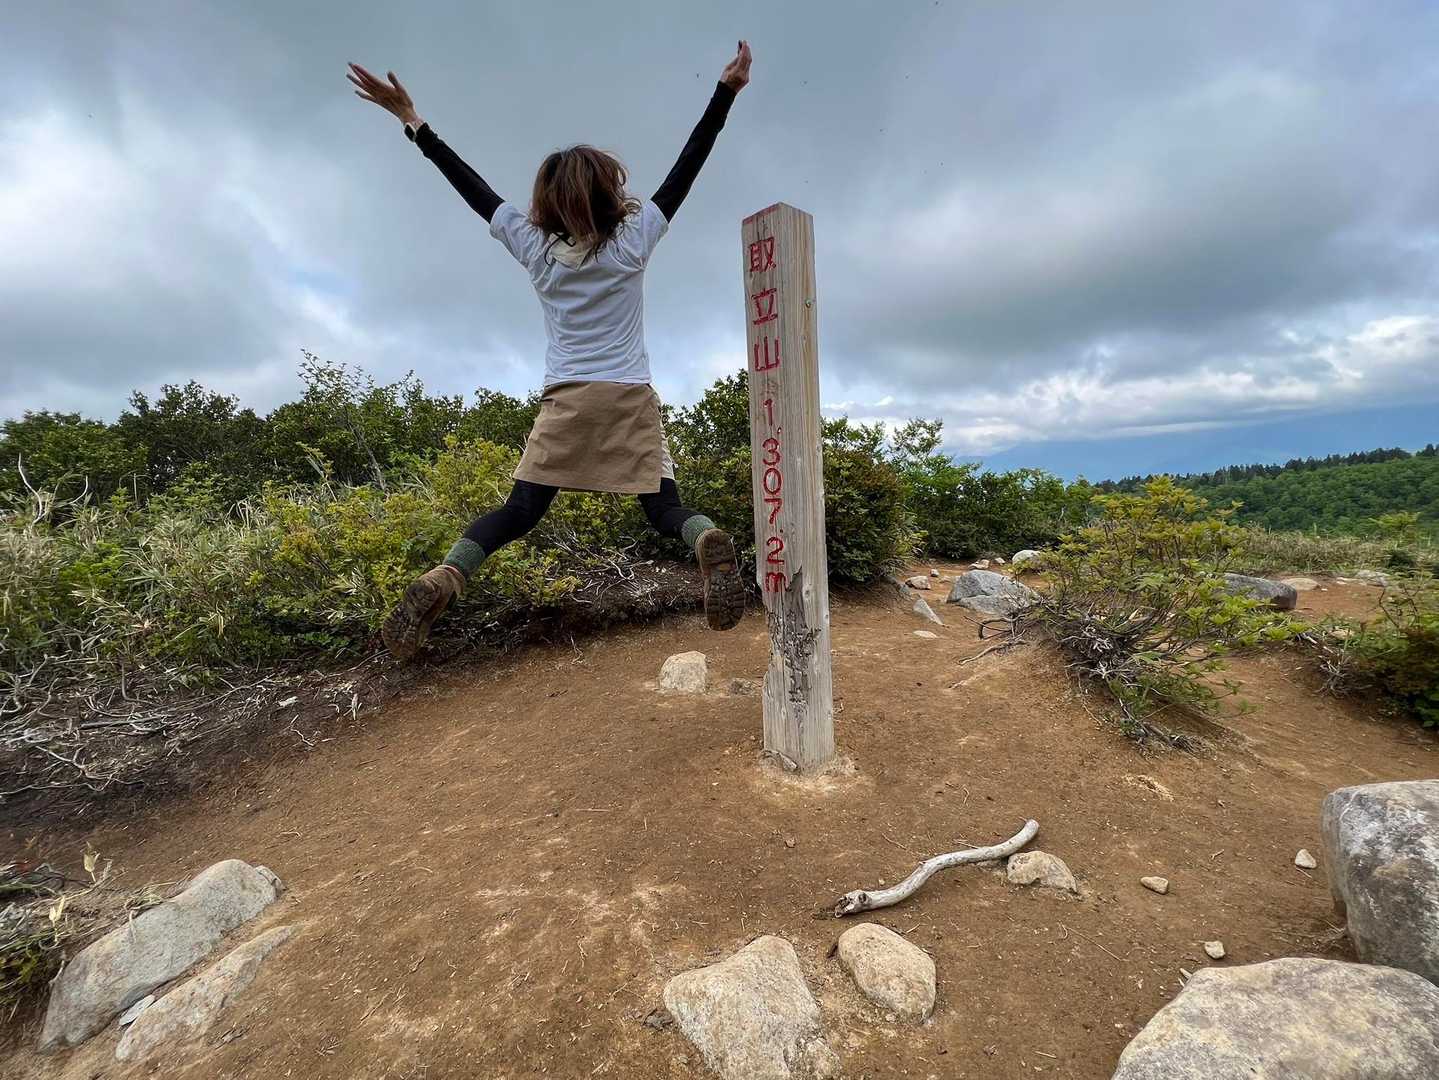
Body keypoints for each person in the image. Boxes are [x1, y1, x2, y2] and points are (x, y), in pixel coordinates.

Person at [347, 42, 754, 660]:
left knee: (520, 511)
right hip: (628, 397)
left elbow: (473, 188)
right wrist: (724, 92)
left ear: (547, 201)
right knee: (662, 507)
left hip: (566, 400)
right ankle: (704, 541)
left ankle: (447, 576)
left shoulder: (534, 250)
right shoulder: (634, 242)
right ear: (608, 194)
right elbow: (687, 167)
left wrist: (413, 121)